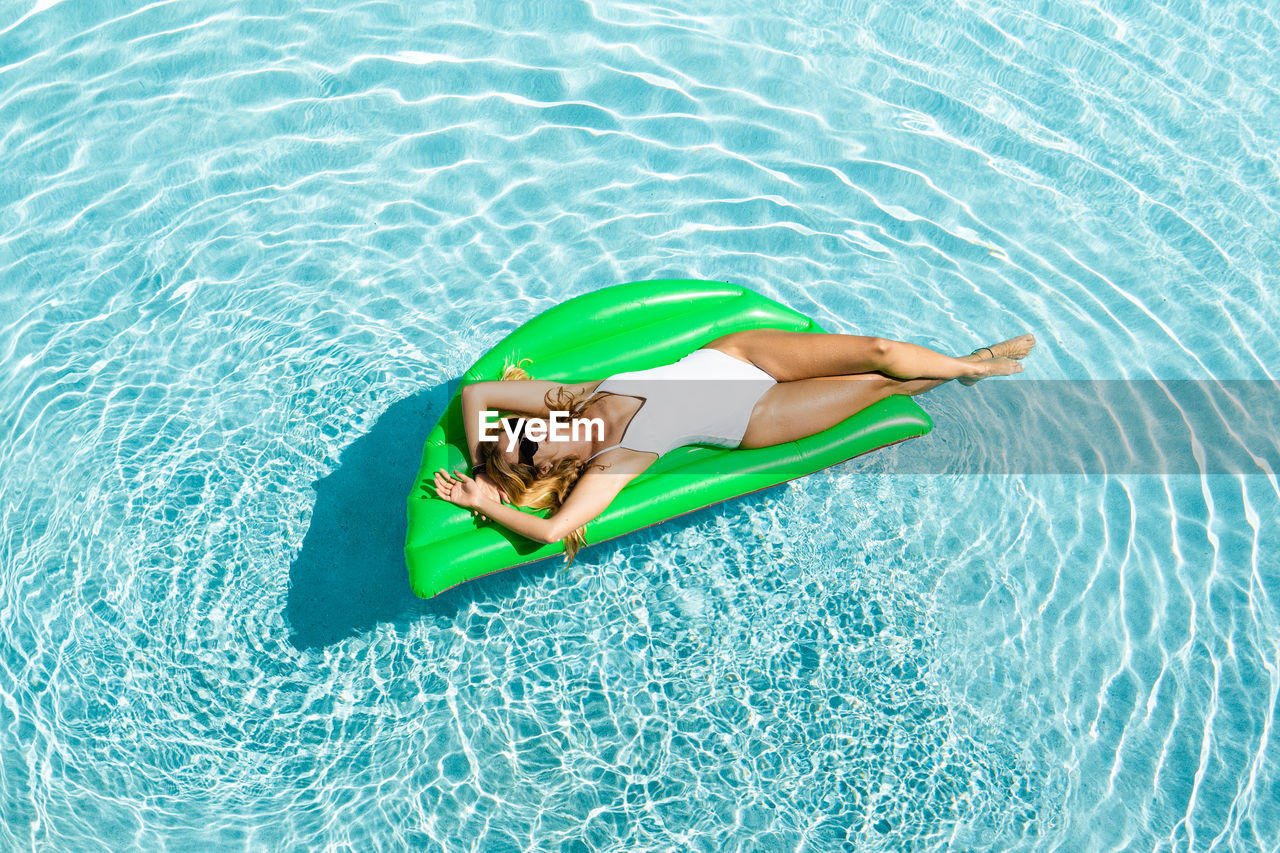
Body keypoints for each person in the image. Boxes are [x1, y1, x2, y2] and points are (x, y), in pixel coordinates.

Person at [431, 329, 1035, 559]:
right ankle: (975, 365)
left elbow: (479, 392)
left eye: (517, 429)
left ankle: (963, 365)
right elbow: (551, 531)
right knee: (879, 384)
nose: (527, 434)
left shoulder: (571, 400)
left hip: (735, 354)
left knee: (878, 350)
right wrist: (487, 501)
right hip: (753, 415)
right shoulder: (612, 462)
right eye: (527, 451)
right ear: (551, 467)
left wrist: (484, 454)